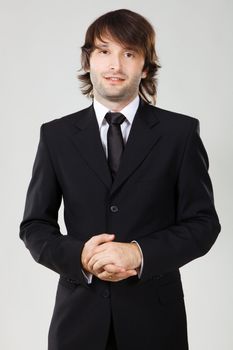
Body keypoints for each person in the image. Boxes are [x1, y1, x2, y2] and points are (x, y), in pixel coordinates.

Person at [19, 8, 221, 350]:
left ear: (144, 66)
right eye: (104, 51)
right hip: (77, 323)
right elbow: (35, 226)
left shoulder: (180, 133)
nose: (115, 65)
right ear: (88, 61)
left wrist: (139, 254)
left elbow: (203, 224)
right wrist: (80, 255)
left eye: (129, 53)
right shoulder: (55, 136)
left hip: (156, 324)